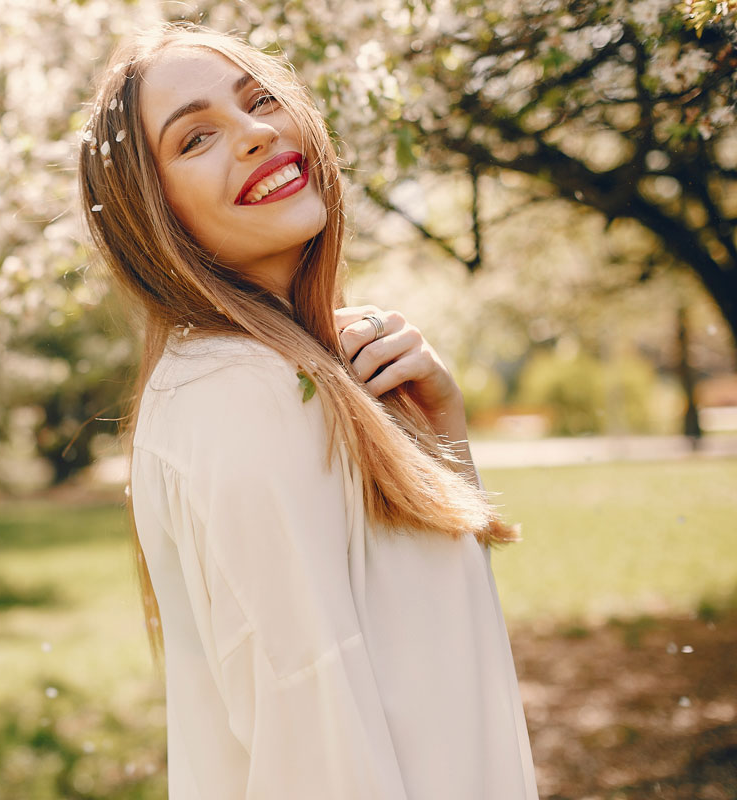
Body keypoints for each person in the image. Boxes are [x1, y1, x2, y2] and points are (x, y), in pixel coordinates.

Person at [77, 23, 540, 800]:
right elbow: (311, 727)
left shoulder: (266, 376)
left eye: (260, 101)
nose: (256, 134)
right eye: (196, 139)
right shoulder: (240, 394)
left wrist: (438, 443)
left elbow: (428, 653)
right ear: (150, 217)